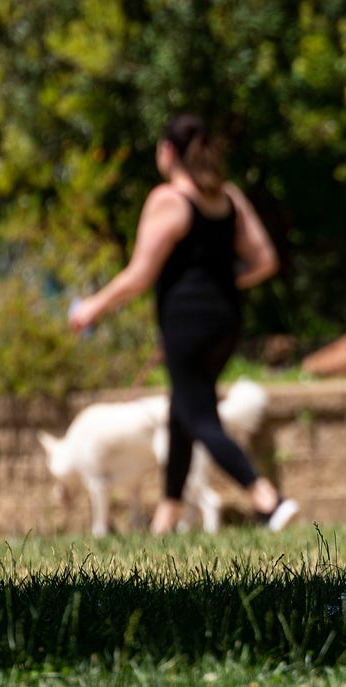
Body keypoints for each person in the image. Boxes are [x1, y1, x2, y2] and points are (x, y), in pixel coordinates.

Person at [69, 114, 298, 534]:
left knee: (200, 414)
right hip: (226, 320)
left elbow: (140, 274)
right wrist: (223, 283)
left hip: (185, 320)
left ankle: (267, 499)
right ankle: (166, 516)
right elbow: (265, 261)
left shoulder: (169, 199)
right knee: (182, 410)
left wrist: (92, 308)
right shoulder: (228, 198)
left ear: (169, 152)